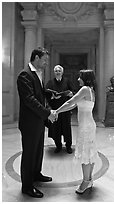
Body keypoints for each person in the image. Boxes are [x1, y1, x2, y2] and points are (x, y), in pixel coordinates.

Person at [17, 47, 57, 198]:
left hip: (38, 121)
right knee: (29, 154)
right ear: (36, 58)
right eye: (45, 59)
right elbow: (29, 100)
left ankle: (36, 174)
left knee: (38, 150)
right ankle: (27, 187)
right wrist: (47, 113)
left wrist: (48, 93)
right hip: (29, 122)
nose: (46, 62)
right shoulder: (24, 75)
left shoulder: (37, 73)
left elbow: (37, 93)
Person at [55, 69, 99, 194]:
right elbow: (73, 105)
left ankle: (85, 182)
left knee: (85, 153)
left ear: (85, 78)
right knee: (89, 153)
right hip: (89, 125)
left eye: (80, 77)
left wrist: (55, 111)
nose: (78, 79)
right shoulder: (90, 90)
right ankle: (89, 179)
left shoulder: (85, 89)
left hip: (86, 127)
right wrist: (58, 111)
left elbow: (70, 102)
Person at [45, 65, 74, 154]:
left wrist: (70, 94)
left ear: (62, 72)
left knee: (67, 128)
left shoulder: (67, 81)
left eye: (59, 71)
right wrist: (53, 97)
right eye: (56, 71)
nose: (58, 72)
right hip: (55, 110)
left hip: (65, 109)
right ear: (54, 72)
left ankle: (68, 146)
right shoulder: (50, 82)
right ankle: (58, 145)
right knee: (55, 128)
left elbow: (73, 93)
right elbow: (46, 94)